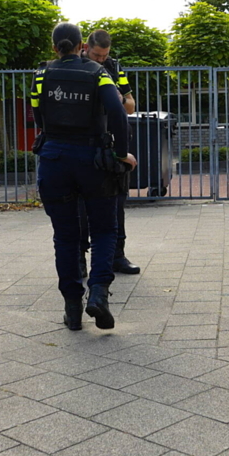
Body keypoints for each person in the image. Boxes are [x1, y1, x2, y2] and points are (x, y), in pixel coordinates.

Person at [32, 22, 136, 331]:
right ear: (81, 46)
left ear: (54, 48)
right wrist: (121, 154)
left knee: (65, 236)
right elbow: (118, 112)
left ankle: (72, 308)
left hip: (53, 159)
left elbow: (37, 113)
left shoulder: (41, 74)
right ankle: (99, 295)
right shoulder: (98, 73)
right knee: (104, 230)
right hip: (93, 161)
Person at [79, 29, 140, 276]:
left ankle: (118, 256)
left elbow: (131, 106)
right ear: (85, 47)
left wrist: (116, 98)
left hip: (112, 142)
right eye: (97, 55)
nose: (101, 60)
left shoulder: (114, 67)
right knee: (81, 207)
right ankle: (80, 260)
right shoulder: (77, 66)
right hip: (85, 143)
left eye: (105, 55)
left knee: (117, 202)